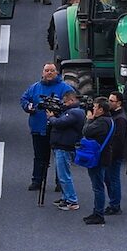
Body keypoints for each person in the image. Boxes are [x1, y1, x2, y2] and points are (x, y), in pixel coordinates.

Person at [20, 63, 75, 191]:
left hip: (59, 129)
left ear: (56, 73)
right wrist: (30, 107)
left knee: (60, 158)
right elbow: (24, 100)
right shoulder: (34, 88)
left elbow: (73, 104)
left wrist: (59, 108)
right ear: (42, 72)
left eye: (52, 70)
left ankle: (60, 183)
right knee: (39, 156)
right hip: (39, 129)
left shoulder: (65, 88)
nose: (49, 73)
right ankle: (37, 180)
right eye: (47, 70)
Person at [46, 90, 85, 211]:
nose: (63, 104)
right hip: (61, 146)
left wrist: (51, 117)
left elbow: (59, 123)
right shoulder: (70, 111)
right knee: (62, 175)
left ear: (72, 100)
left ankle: (72, 201)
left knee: (64, 176)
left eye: (65, 102)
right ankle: (65, 197)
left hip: (64, 147)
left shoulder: (75, 113)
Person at [81, 97, 117, 225]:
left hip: (98, 158)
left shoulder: (101, 122)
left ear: (101, 110)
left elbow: (86, 131)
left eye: (95, 107)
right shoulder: (109, 120)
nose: (93, 109)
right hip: (104, 156)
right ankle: (97, 211)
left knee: (98, 187)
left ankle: (99, 213)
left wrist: (89, 120)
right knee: (100, 185)